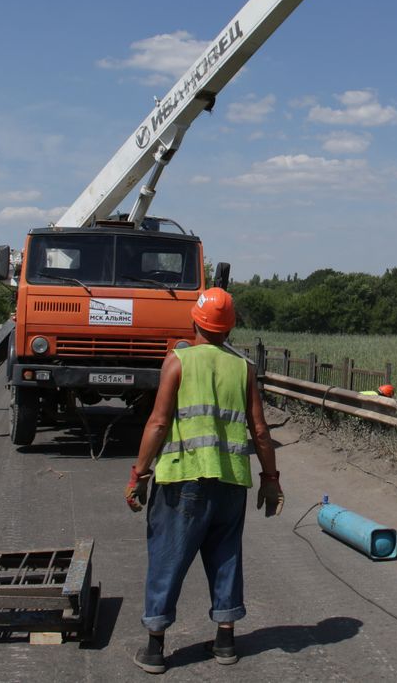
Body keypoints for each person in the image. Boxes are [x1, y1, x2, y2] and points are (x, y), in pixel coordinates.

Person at [124, 287, 284, 674]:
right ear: (229, 329)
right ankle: (226, 640)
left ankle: (155, 648)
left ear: (194, 321)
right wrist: (270, 479)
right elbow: (260, 430)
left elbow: (159, 423)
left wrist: (139, 474)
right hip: (230, 480)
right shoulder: (244, 368)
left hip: (183, 478)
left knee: (168, 557)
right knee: (226, 556)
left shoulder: (177, 362)